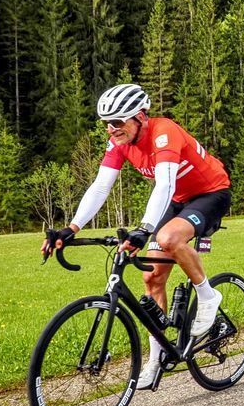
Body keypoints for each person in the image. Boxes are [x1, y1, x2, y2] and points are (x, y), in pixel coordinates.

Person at [41, 84, 232, 389]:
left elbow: (165, 184)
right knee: (152, 277)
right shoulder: (118, 142)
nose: (111, 128)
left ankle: (209, 296)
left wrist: (144, 229)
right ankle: (156, 360)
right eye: (107, 123)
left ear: (140, 117)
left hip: (211, 193)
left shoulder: (164, 132)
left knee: (168, 238)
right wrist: (72, 227)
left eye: (117, 121)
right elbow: (101, 187)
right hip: (178, 199)